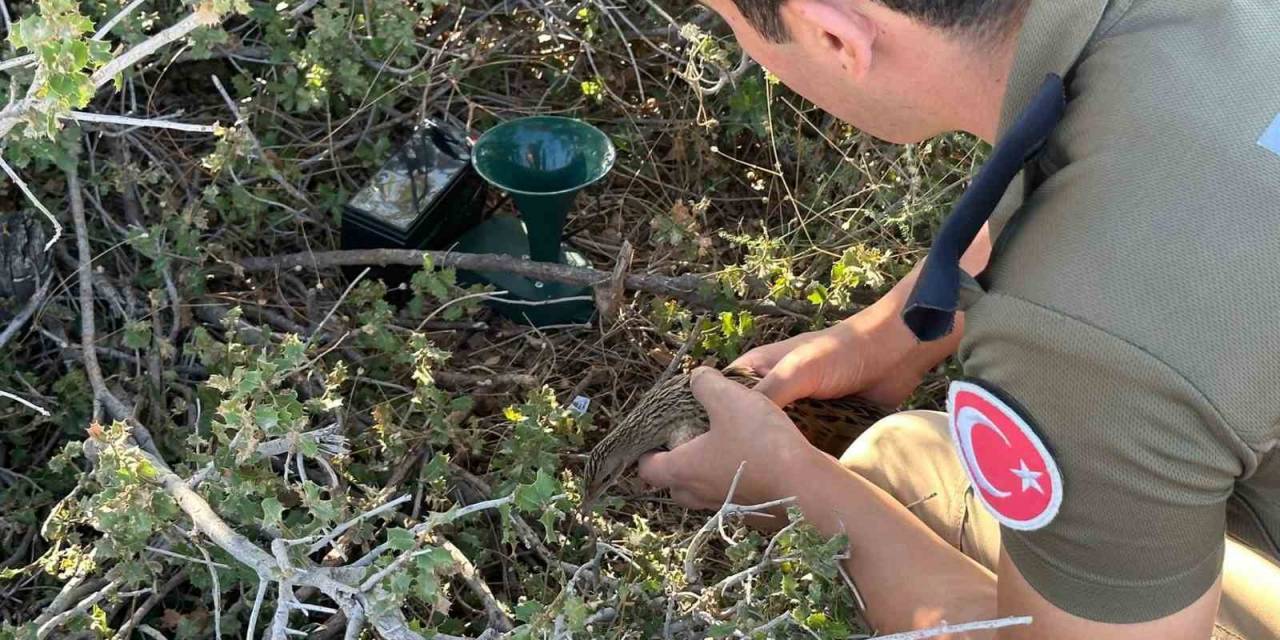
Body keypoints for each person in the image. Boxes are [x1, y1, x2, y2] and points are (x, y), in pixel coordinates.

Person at [635, 1, 1280, 638]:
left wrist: (793, 486)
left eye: (733, 24)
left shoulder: (1088, 347)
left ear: (836, 35)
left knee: (897, 464)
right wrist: (893, 334)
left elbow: (1124, 308)